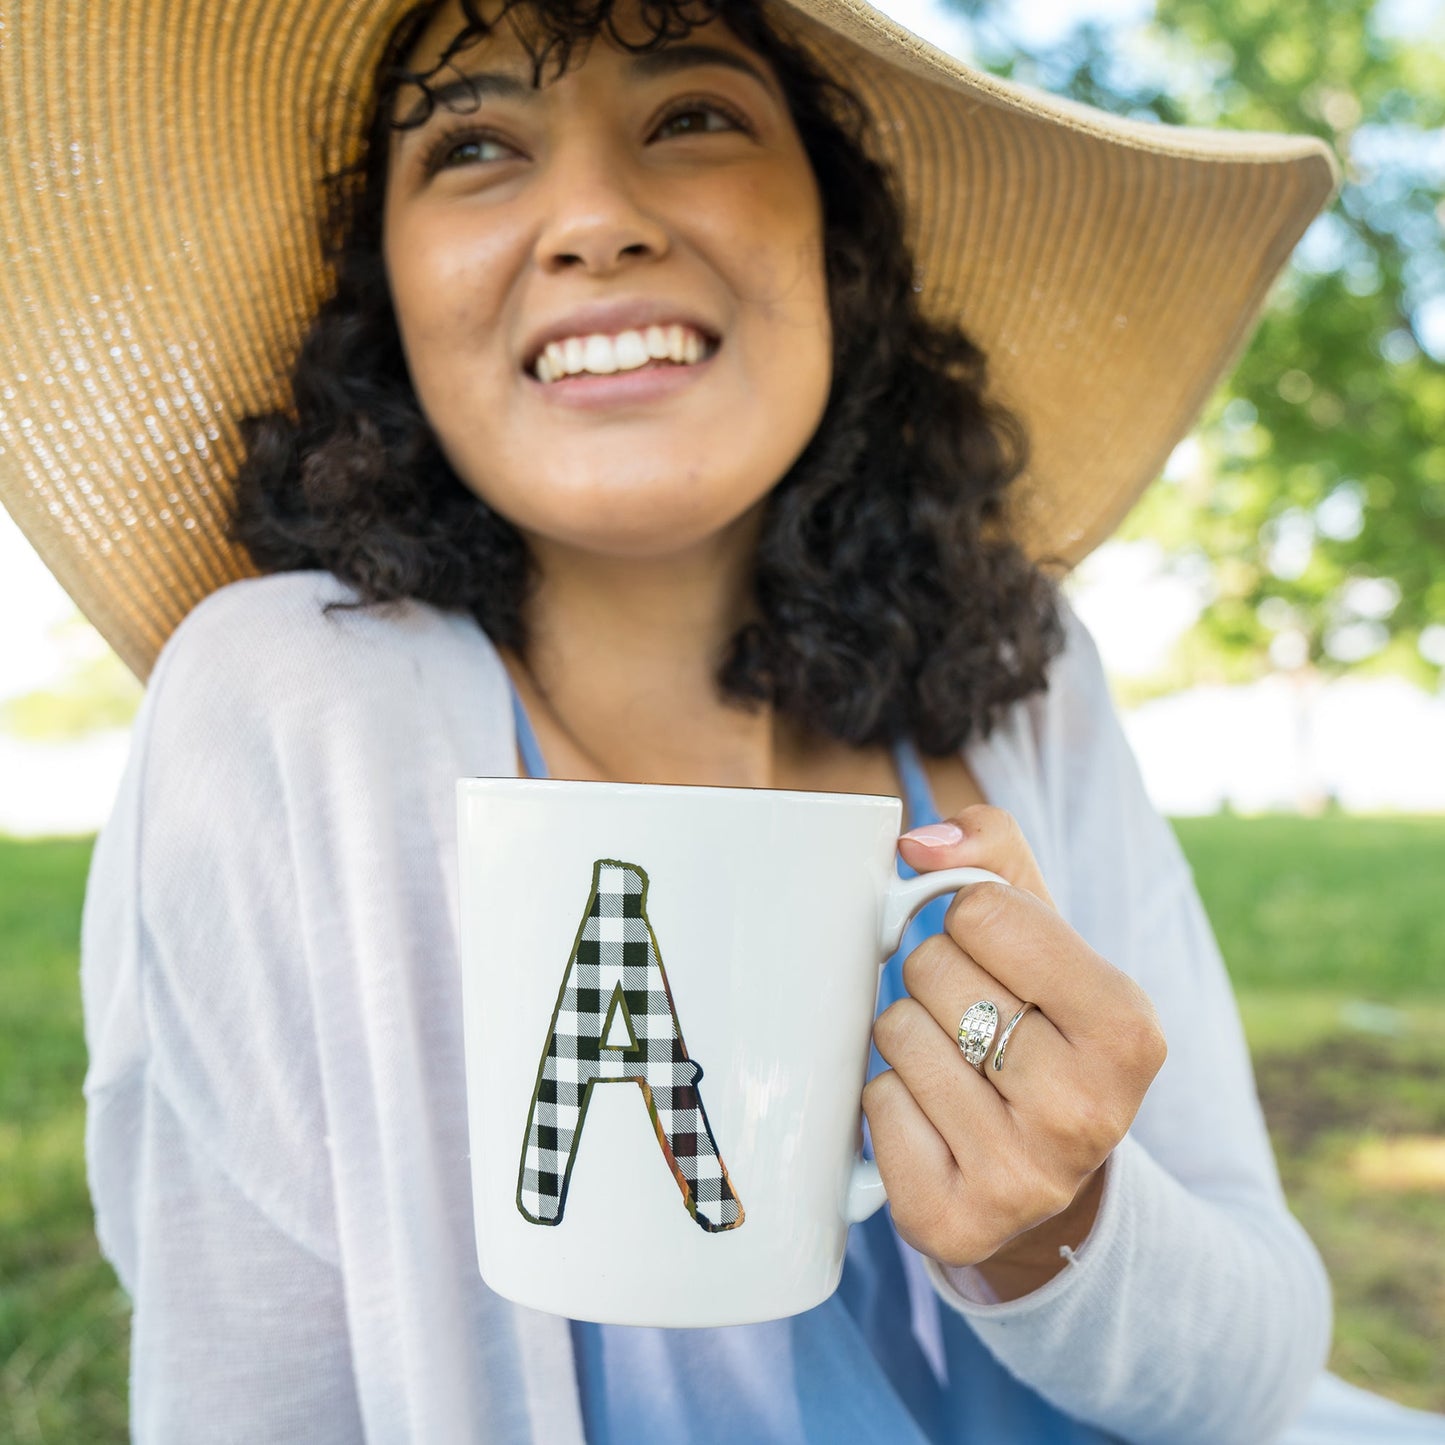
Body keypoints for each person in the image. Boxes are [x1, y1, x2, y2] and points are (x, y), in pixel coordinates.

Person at [2, 0, 1442, 1439]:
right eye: (474, 144)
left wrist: (1056, 1232)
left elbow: (1257, 1368)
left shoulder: (1025, 679)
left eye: (692, 115)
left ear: (836, 239)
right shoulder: (288, 704)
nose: (590, 217)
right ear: (387, 286)